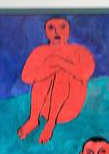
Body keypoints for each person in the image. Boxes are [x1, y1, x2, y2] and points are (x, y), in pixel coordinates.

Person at [17, 16, 96, 144]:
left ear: (69, 30)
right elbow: (26, 77)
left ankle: (51, 124)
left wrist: (59, 62)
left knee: (62, 74)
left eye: (62, 27)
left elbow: (85, 73)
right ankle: (33, 119)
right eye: (51, 28)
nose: (57, 32)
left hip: (69, 106)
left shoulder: (79, 51)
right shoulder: (40, 52)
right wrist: (49, 66)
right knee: (43, 74)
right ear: (46, 32)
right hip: (45, 108)